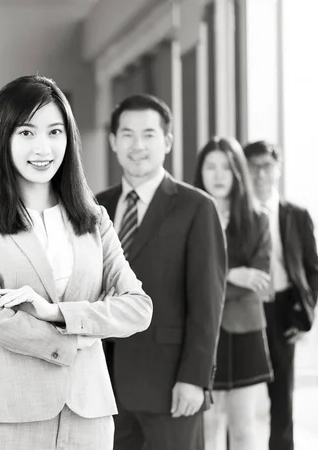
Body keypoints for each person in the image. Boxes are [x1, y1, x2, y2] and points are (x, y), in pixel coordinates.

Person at [0, 75, 153, 450]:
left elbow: (138, 308)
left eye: (55, 132)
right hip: (8, 413)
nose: (43, 148)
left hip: (87, 415)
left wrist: (55, 312)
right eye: (26, 133)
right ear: (3, 138)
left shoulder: (94, 218)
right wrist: (74, 341)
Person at [96, 94, 226, 450]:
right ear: (113, 141)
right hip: (101, 386)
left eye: (149, 134)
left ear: (167, 141)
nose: (137, 145)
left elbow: (207, 303)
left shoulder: (196, 207)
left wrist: (195, 379)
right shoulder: (94, 207)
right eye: (127, 134)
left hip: (170, 386)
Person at [193, 136, 273, 450]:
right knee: (208, 427)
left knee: (244, 428)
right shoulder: (190, 216)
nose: (218, 175)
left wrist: (215, 281)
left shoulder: (257, 219)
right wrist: (233, 274)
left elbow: (260, 281)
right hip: (203, 333)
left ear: (237, 171)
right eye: (210, 167)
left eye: (226, 167)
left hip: (245, 331)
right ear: (201, 173)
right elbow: (188, 279)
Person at [244, 141, 318, 450]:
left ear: (278, 169)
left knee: (282, 392)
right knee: (239, 391)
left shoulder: (296, 215)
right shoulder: (237, 216)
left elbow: (313, 268)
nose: (260, 174)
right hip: (245, 309)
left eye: (266, 166)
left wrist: (305, 316)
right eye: (253, 167)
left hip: (283, 307)